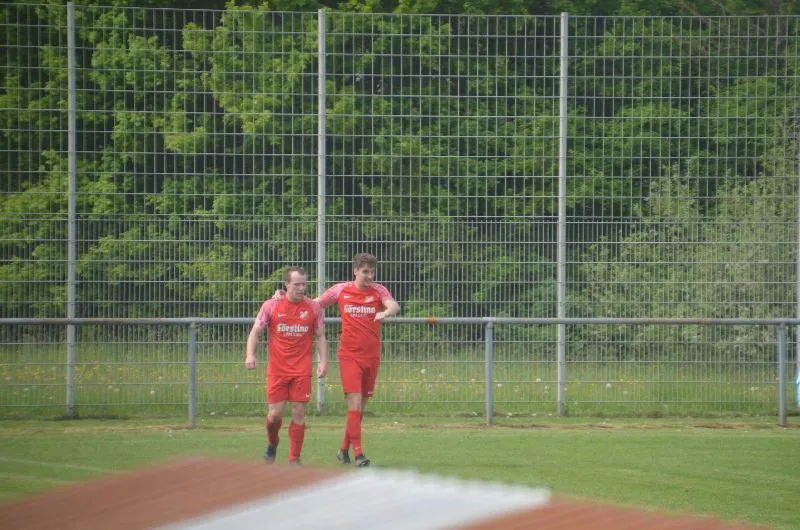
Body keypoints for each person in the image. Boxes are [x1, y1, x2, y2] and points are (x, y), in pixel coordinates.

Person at [277, 253, 400, 467]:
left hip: (372, 356)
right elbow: (315, 304)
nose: (369, 276)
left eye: (372, 272)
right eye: (365, 272)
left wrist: (385, 313)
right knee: (354, 403)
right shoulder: (341, 289)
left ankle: (343, 450)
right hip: (349, 355)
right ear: (355, 271)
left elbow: (394, 306)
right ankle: (359, 454)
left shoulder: (378, 290)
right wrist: (284, 296)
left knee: (359, 408)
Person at [245, 266, 328, 466]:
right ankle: (272, 443)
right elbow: (256, 331)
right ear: (287, 285)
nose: (301, 288)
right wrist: (250, 354)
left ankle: (294, 459)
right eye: (297, 284)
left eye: (304, 284)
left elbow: (320, 336)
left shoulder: (313, 308)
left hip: (302, 369)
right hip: (278, 370)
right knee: (275, 414)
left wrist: (323, 361)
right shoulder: (271, 306)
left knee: (299, 410)